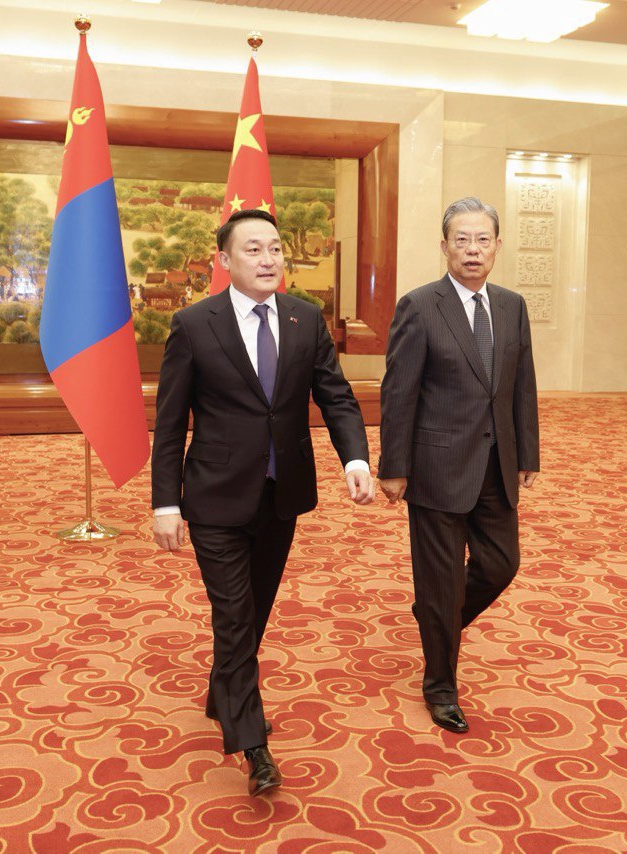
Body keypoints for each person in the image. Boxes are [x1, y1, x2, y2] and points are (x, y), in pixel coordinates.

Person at [151, 209, 376, 796]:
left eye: (274, 248)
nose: (269, 259)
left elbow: (336, 396)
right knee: (233, 616)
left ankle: (222, 691)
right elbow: (171, 423)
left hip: (282, 494)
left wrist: (355, 459)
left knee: (254, 612)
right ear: (224, 261)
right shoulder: (194, 325)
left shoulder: (305, 318)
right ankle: (253, 744)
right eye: (253, 249)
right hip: (214, 497)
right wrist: (165, 503)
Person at [377, 196, 540, 734]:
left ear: (497, 246)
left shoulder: (512, 306)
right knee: (441, 580)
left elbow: (521, 385)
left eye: (482, 240)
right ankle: (441, 686)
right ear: (444, 246)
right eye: (462, 240)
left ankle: (436, 616)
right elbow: (399, 391)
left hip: (497, 464)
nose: (473, 249)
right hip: (437, 466)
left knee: (501, 565)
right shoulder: (420, 306)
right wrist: (394, 465)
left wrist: (528, 453)